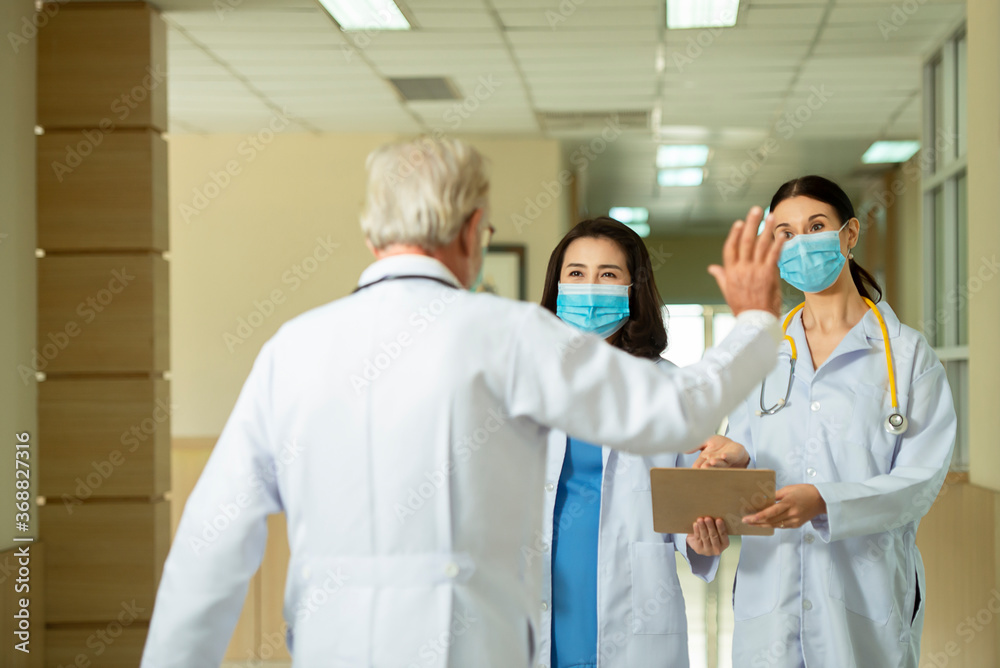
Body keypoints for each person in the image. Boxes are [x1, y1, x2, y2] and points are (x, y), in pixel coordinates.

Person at [140, 137, 786, 668]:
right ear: (474, 229)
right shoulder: (505, 334)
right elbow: (679, 410)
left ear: (372, 234)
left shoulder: (293, 348)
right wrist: (756, 321)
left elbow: (210, 541)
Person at [698, 175, 957, 668]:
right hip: (770, 594)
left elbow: (920, 481)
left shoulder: (906, 356)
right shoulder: (764, 352)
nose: (802, 242)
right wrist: (734, 455)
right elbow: (750, 448)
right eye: (785, 233)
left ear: (850, 235)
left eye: (816, 225)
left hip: (864, 592)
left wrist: (824, 501)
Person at [534, 218, 733, 668]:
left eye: (608, 274)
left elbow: (690, 509)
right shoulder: (523, 382)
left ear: (632, 287)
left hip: (634, 601)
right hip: (541, 595)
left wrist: (703, 537)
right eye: (576, 273)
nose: (589, 287)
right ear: (557, 284)